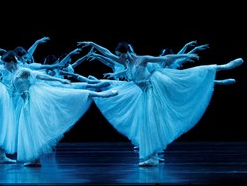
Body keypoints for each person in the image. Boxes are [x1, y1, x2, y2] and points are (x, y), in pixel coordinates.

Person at [0, 50, 118, 167]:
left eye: (7, 63)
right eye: (4, 63)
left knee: (68, 95)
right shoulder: (9, 72)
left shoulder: (22, 70)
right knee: (27, 131)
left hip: (31, 101)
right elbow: (0, 72)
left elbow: (40, 75)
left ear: (13, 61)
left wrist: (59, 79)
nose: (5, 66)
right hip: (21, 104)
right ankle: (34, 158)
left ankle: (103, 94)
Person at [78, 40, 244, 167]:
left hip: (154, 90)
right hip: (144, 94)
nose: (119, 58)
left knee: (189, 76)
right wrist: (92, 44)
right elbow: (107, 53)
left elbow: (164, 58)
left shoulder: (141, 59)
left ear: (128, 51)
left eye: (121, 54)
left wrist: (184, 56)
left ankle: (224, 66)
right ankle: (153, 157)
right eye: (118, 56)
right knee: (148, 124)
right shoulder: (126, 63)